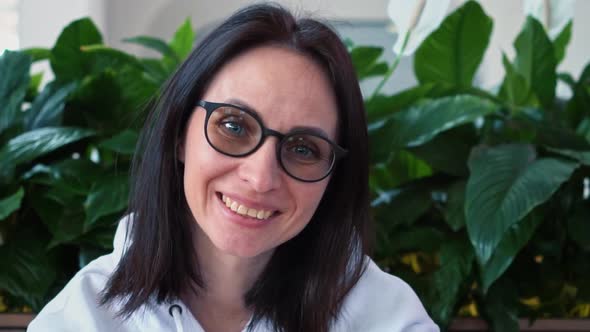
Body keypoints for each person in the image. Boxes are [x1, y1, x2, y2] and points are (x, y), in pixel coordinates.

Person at [28, 3, 438, 332]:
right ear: (178, 134)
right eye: (233, 126)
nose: (260, 178)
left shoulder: (387, 316)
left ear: (333, 177)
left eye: (303, 148)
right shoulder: (83, 317)